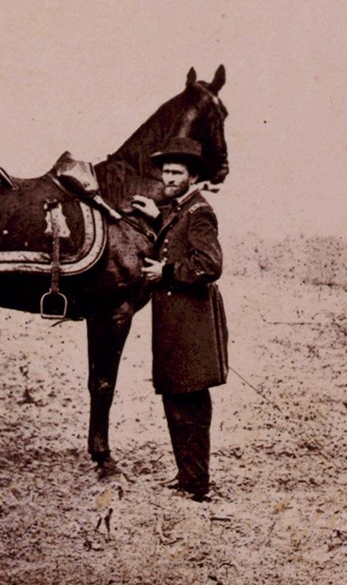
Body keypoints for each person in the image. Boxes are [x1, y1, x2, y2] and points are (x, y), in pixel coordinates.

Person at [131, 137, 228, 502]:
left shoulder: (201, 212)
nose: (169, 178)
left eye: (177, 172)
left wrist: (167, 273)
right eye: (167, 171)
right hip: (174, 322)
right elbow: (174, 234)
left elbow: (209, 265)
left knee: (192, 399)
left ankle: (198, 482)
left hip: (192, 322)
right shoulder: (177, 210)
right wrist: (156, 217)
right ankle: (185, 476)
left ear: (193, 176)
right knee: (174, 396)